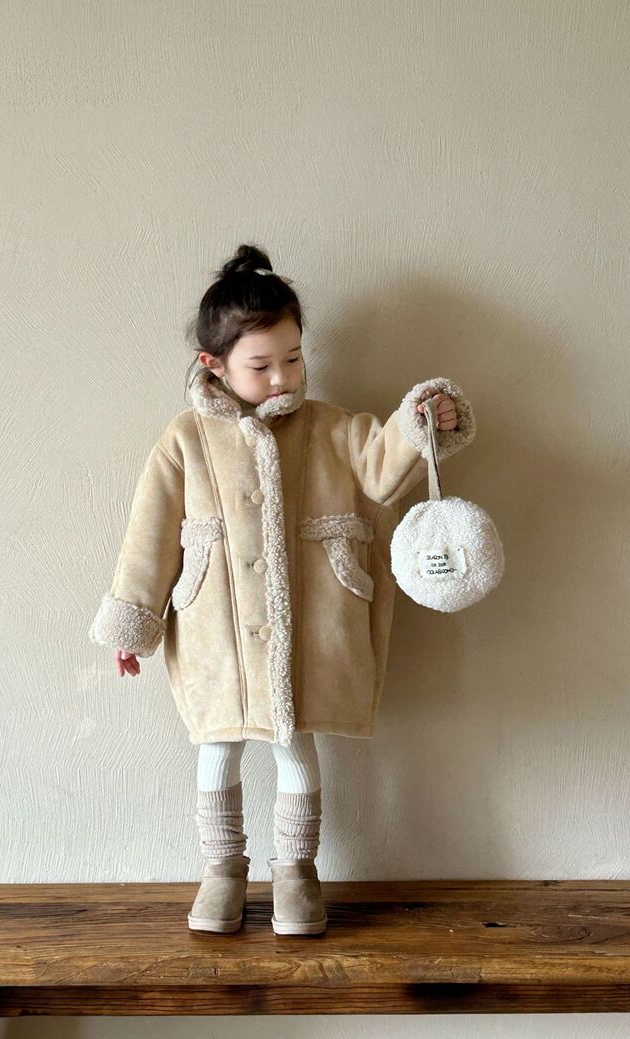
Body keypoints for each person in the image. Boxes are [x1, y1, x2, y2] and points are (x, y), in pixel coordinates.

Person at [88, 243, 476, 936]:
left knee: (295, 742)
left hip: (314, 617)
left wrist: (419, 421)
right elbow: (149, 532)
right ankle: (223, 870)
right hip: (216, 628)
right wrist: (133, 623)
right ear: (214, 364)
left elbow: (383, 465)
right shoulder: (185, 438)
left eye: (293, 358)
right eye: (261, 364)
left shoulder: (330, 426)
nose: (281, 377)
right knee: (219, 744)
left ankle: (296, 872)